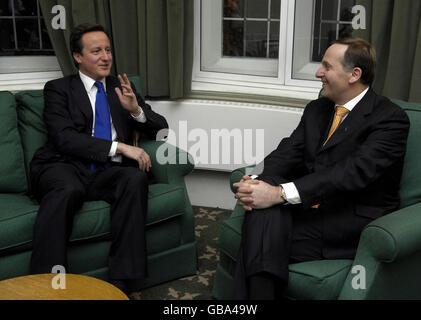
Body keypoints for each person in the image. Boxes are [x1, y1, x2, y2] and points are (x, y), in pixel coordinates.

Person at [233, 38, 410, 300]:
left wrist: (279, 194)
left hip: (351, 218)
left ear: (354, 74)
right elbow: (287, 152)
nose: (319, 73)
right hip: (310, 208)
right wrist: (255, 181)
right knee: (262, 215)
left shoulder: (390, 118)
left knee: (260, 227)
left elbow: (351, 173)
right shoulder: (317, 109)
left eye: (326, 66)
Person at [29, 23, 168, 294]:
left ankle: (122, 281)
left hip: (105, 171)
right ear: (78, 57)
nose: (105, 57)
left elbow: (161, 129)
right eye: (96, 51)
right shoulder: (58, 89)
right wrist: (120, 147)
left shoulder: (121, 87)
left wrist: (136, 110)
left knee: (134, 178)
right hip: (62, 165)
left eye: (107, 49)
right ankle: (47, 283)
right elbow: (64, 138)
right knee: (68, 189)